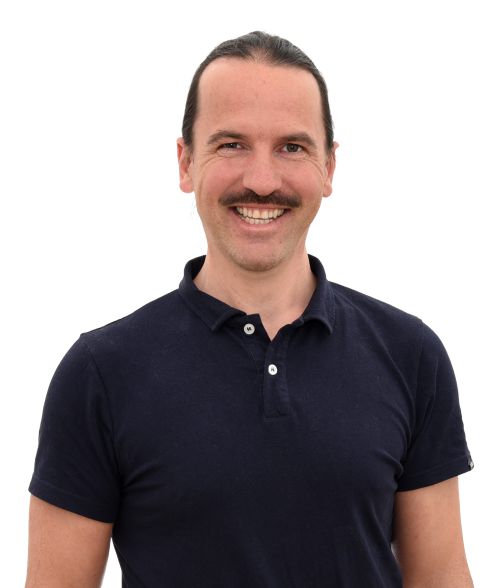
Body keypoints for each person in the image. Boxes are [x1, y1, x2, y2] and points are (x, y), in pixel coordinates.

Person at [26, 31, 474, 587]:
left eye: (292, 147)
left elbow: (441, 577)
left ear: (329, 167)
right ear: (186, 162)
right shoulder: (99, 373)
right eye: (232, 144)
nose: (262, 181)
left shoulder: (411, 355)